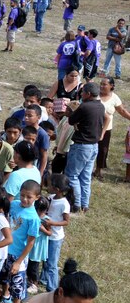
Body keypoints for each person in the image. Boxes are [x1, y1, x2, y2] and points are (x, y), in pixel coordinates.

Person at [64, 83, 103, 212]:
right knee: (85, 177)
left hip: (81, 146)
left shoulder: (84, 107)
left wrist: (69, 112)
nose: (81, 94)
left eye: (83, 92)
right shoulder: (100, 106)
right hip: (93, 146)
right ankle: (84, 205)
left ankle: (76, 203)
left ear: (88, 94)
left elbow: (71, 121)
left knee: (72, 175)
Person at [95, 77, 130, 179]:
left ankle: (98, 170)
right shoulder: (95, 95)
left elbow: (122, 111)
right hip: (91, 126)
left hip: (106, 129)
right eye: (101, 84)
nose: (101, 86)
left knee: (103, 150)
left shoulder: (114, 98)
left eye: (104, 84)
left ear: (111, 86)